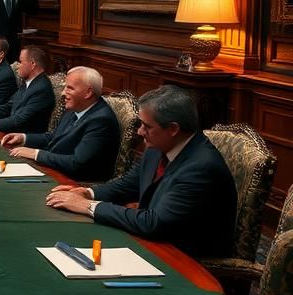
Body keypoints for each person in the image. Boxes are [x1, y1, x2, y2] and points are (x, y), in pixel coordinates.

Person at [46, 85, 236, 257]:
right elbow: (130, 183)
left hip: (185, 260)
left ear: (172, 129)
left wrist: (88, 206)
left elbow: (154, 223)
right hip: (152, 242)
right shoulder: (159, 146)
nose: (139, 132)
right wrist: (88, 192)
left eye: (146, 126)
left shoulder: (201, 167)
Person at [0, 66, 120, 182]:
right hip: (54, 170)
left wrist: (36, 154)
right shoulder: (75, 108)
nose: (63, 93)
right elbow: (54, 137)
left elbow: (76, 163)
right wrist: (23, 138)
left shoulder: (101, 120)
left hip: (74, 182)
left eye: (70, 88)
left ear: (88, 92)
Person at [0, 46, 56, 133]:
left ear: (32, 64)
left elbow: (20, 120)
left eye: (21, 62)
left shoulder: (41, 89)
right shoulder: (28, 82)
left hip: (24, 141)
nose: (18, 66)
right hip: (11, 133)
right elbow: (8, 107)